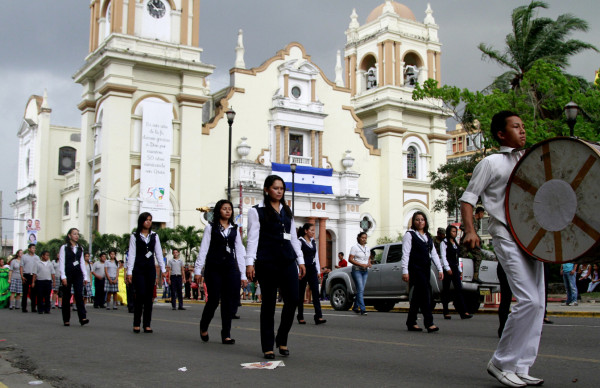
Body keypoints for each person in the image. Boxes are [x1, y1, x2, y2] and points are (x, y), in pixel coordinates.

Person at [461, 111, 544, 387]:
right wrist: (471, 230)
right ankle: (500, 362)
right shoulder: (491, 162)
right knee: (528, 300)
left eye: (523, 126)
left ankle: (521, 365)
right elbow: (468, 199)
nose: (522, 131)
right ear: (500, 134)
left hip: (533, 237)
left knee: (539, 303)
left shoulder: (530, 161)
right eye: (516, 127)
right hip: (505, 234)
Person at [245, 175, 306, 359]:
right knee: (269, 305)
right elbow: (253, 238)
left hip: (287, 261)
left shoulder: (287, 211)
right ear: (266, 189)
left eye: (281, 188)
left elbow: (293, 237)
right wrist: (250, 262)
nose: (279, 191)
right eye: (275, 188)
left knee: (294, 300)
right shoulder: (256, 211)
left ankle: (281, 337)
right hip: (267, 262)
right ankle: (267, 346)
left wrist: (300, 260)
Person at [194, 199, 247, 344]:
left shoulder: (234, 229)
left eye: (229, 209)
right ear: (219, 211)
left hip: (230, 268)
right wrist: (198, 270)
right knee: (213, 300)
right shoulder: (211, 228)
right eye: (224, 208)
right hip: (214, 268)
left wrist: (243, 274)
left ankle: (226, 334)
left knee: (228, 302)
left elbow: (240, 252)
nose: (228, 211)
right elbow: (204, 249)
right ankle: (203, 326)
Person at [401, 211, 443, 333]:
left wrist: (440, 269)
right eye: (417, 219)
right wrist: (405, 271)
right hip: (415, 268)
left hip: (426, 269)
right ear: (413, 221)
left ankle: (411, 322)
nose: (420, 222)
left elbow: (433, 254)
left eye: (422, 220)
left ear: (425, 222)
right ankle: (429, 323)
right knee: (425, 294)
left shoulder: (428, 236)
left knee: (417, 297)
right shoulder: (409, 235)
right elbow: (406, 253)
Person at [126, 212, 167, 333]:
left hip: (150, 269)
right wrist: (129, 272)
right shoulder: (134, 236)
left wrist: (163, 270)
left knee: (149, 297)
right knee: (140, 295)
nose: (148, 222)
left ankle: (147, 324)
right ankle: (136, 323)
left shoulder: (154, 236)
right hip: (138, 269)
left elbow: (159, 253)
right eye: (146, 220)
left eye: (150, 220)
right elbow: (132, 255)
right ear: (141, 221)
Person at [296, 223, 327, 325]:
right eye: (312, 230)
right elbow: (297, 257)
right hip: (303, 270)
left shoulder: (313, 242)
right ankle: (300, 316)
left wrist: (318, 271)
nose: (313, 233)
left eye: (314, 231)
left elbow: (316, 257)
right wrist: (298, 271)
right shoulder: (299, 242)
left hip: (312, 269)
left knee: (315, 292)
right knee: (300, 293)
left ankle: (318, 316)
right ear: (306, 231)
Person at [59, 228, 90, 326]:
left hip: (78, 274)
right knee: (67, 296)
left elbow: (81, 262)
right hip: (68, 273)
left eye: (78, 234)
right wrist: (63, 276)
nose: (76, 236)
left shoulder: (80, 248)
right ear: (69, 236)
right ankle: (66, 319)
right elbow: (62, 262)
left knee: (79, 295)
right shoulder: (64, 247)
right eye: (74, 234)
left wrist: (85, 276)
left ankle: (82, 317)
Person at [440, 224, 472, 320]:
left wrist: (459, 269)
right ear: (449, 232)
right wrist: (447, 268)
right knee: (446, 290)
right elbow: (443, 256)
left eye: (456, 231)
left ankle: (463, 312)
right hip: (447, 269)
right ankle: (445, 311)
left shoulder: (455, 243)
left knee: (459, 289)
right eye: (453, 231)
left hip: (455, 268)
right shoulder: (444, 243)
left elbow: (457, 258)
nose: (455, 233)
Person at [348, 232, 371, 315]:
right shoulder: (354, 247)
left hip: (365, 271)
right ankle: (363, 309)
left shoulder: (367, 248)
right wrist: (361, 264)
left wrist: (369, 263)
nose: (364, 239)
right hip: (357, 270)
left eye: (365, 238)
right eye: (362, 237)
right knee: (360, 289)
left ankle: (355, 307)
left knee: (361, 290)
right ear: (359, 238)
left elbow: (368, 258)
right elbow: (350, 259)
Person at [20, 243, 40, 313]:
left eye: (34, 248)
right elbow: (21, 267)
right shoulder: (24, 257)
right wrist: (22, 276)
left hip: (33, 276)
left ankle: (33, 308)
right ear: (29, 249)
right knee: (25, 292)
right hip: (26, 275)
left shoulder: (37, 257)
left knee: (34, 292)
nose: (34, 249)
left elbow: (38, 267)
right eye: (32, 248)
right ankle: (24, 307)